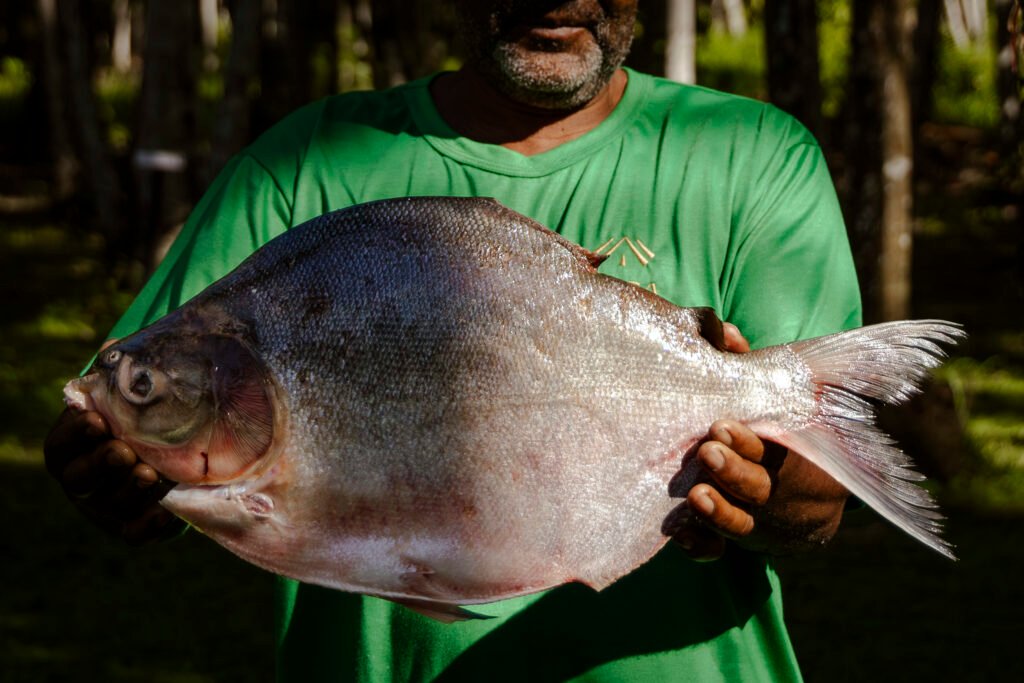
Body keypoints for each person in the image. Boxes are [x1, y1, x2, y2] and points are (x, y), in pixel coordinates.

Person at [45, 1, 860, 680]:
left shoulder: (751, 158)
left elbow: (823, 500)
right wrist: (106, 475)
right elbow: (119, 407)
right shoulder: (304, 165)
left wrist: (765, 485)